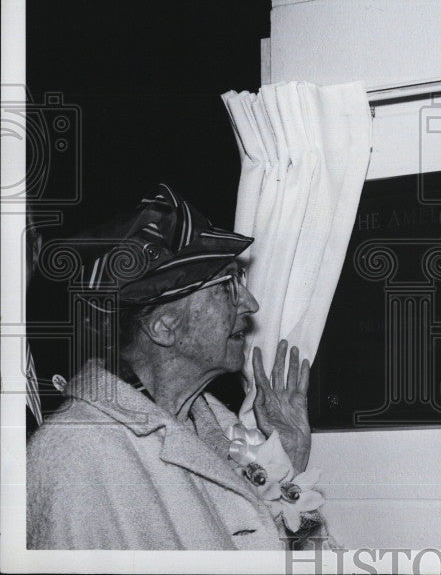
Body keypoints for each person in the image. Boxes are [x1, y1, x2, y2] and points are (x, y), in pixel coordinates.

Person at [27, 183, 323, 550]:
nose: (250, 303)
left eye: (240, 280)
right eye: (226, 286)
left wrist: (289, 458)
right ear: (165, 328)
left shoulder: (214, 425)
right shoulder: (75, 456)